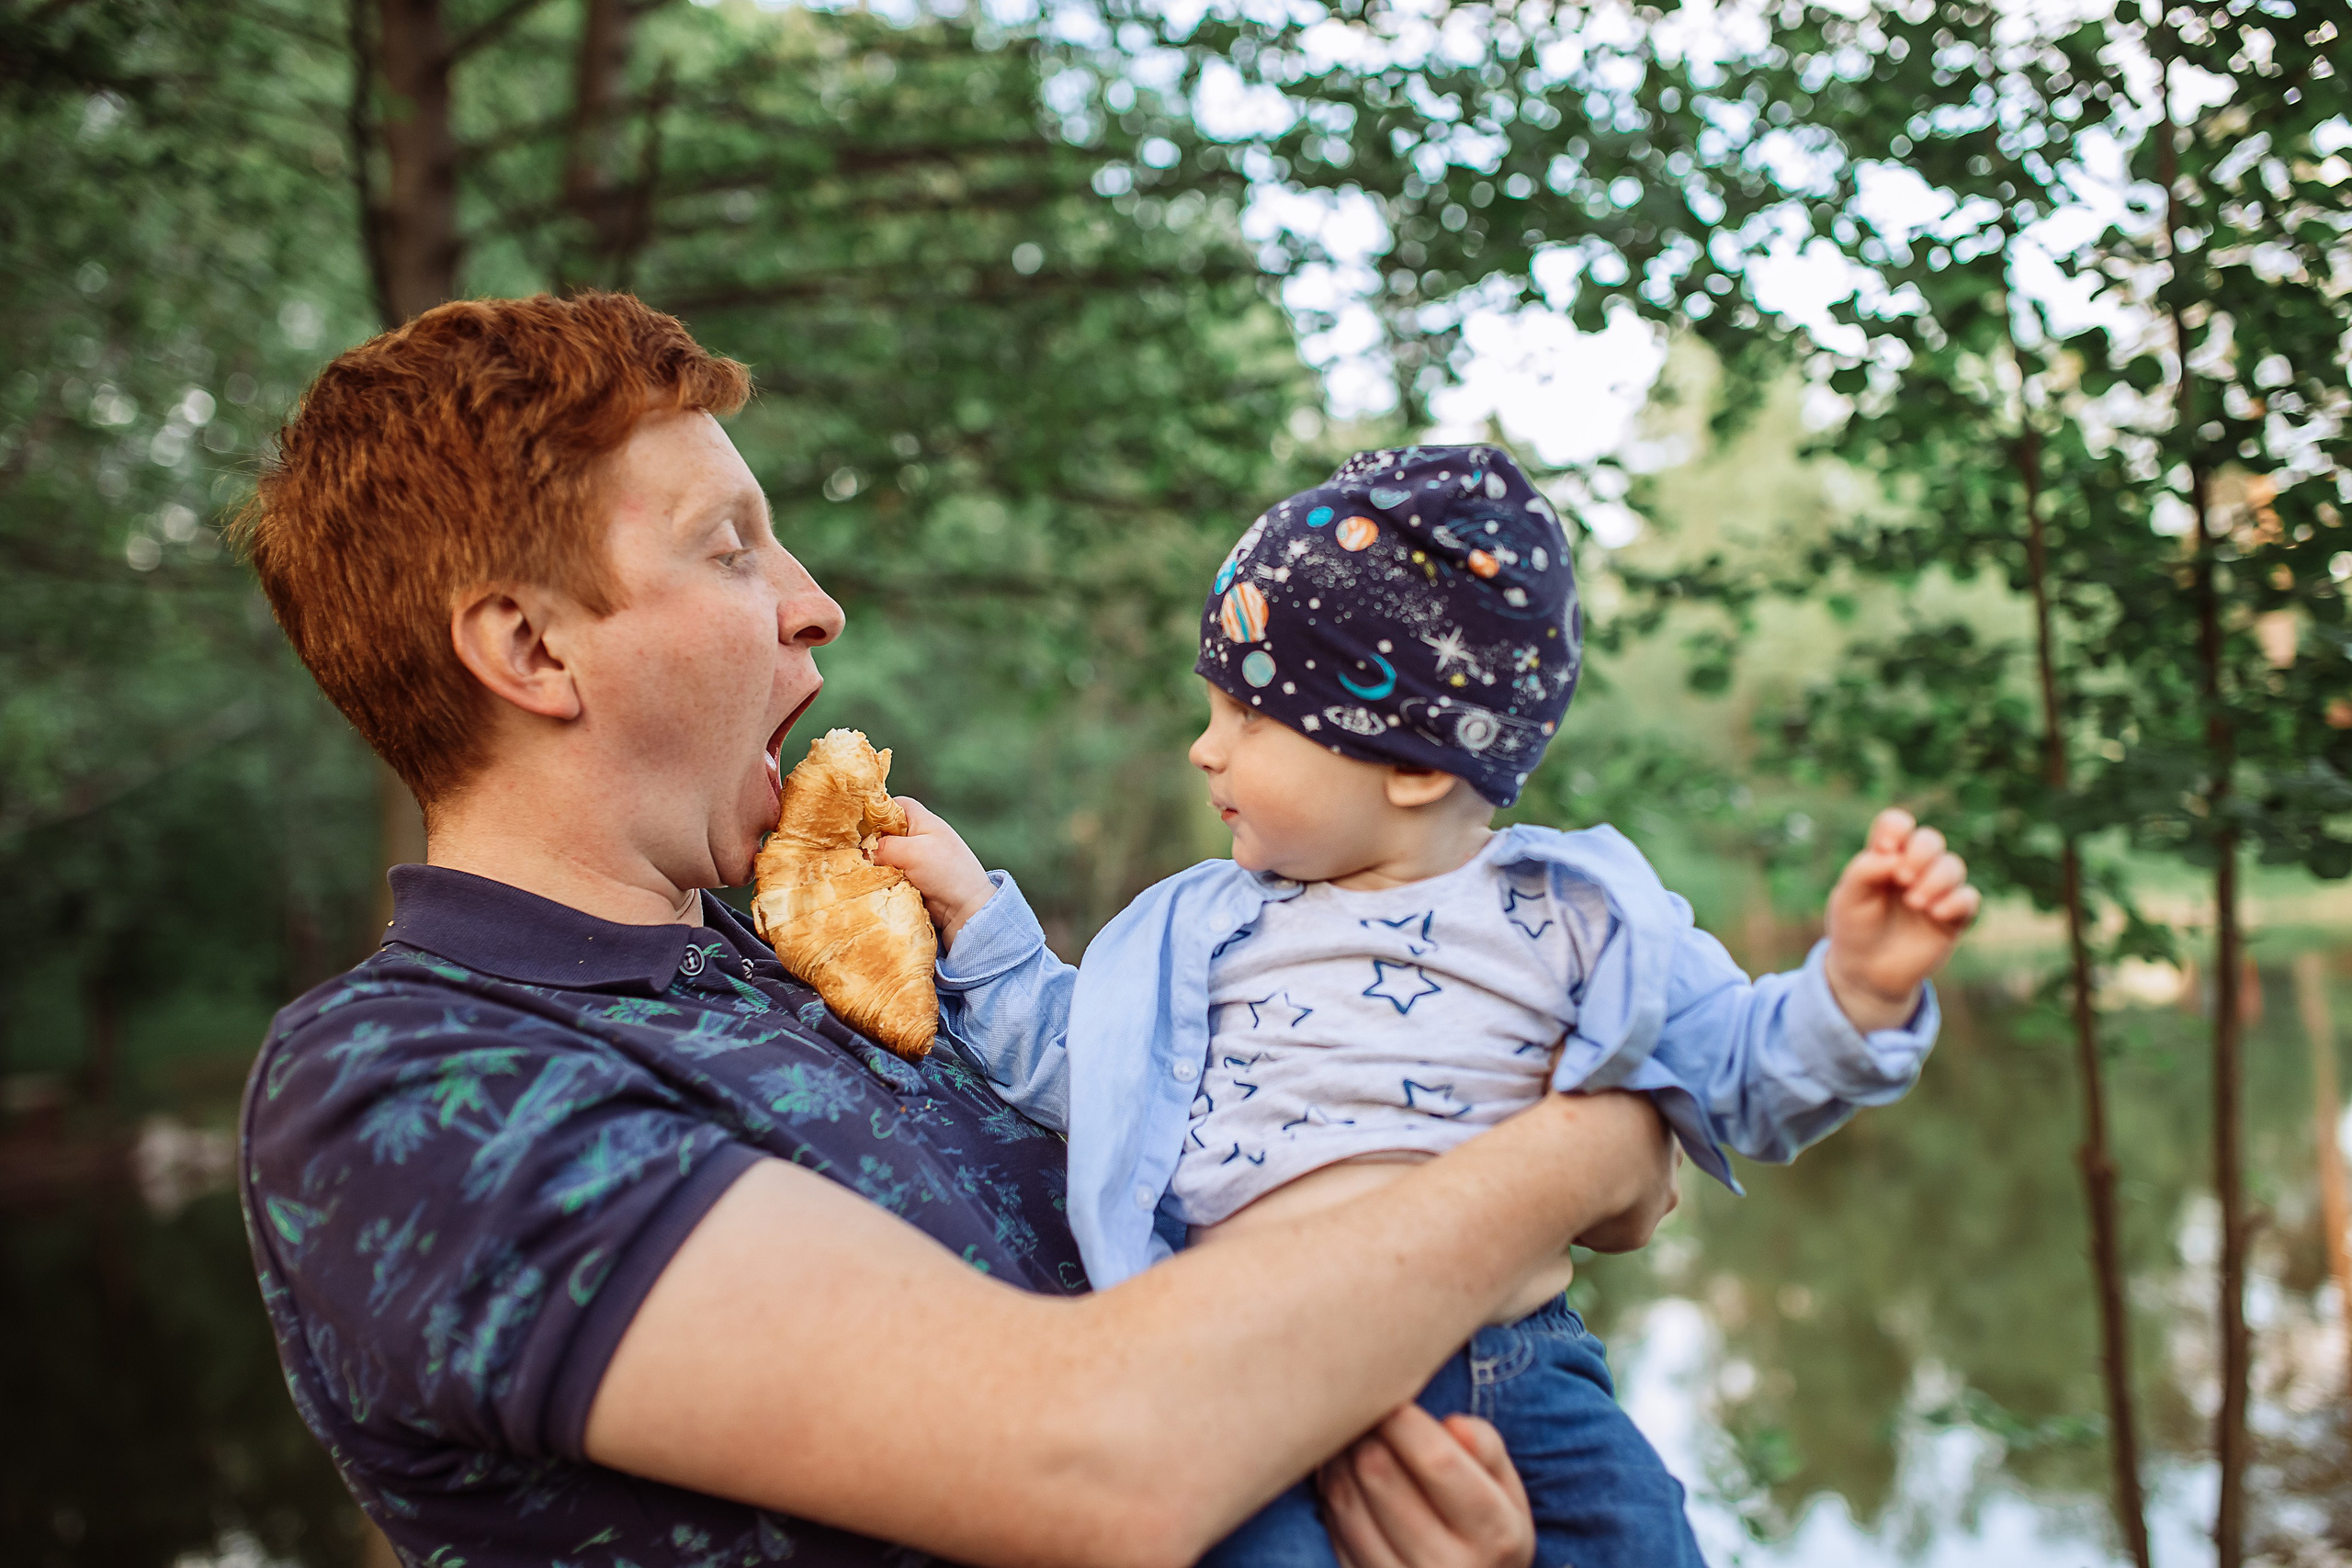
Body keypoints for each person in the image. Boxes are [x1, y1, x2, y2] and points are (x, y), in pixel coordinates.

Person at [231, 293, 1687, 1568]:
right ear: (532, 649)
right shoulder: (407, 1083)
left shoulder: (837, 965)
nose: (817, 604)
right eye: (732, 548)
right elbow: (1103, 1452)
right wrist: (1581, 1148)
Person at [876, 446, 1982, 1565]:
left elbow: (1742, 1075)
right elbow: (1086, 1070)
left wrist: (1858, 993)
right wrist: (977, 918)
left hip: (1512, 1370)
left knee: (1640, 1536)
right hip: (1239, 1370)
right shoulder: (1201, 927)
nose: (1204, 748)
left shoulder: (1578, 914)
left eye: (1247, 717)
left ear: (1410, 760)